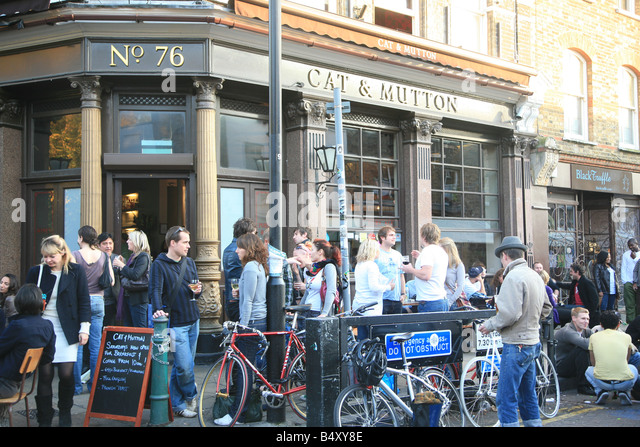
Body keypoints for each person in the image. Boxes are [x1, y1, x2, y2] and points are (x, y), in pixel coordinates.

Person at [479, 236, 552, 427]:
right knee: (528, 397)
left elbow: (509, 314)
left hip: (516, 344)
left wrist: (490, 324)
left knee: (505, 399)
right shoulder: (534, 275)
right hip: (532, 342)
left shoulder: (512, 277)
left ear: (504, 255)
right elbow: (547, 308)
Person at [25, 235, 90, 427]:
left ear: (63, 253)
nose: (48, 260)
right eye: (45, 256)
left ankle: (65, 412)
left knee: (66, 374)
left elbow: (83, 301)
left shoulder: (76, 271)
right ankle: (44, 418)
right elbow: (26, 299)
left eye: (52, 256)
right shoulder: (37, 272)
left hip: (67, 329)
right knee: (45, 375)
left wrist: (84, 328)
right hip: (43, 329)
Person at [214, 233, 268, 425]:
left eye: (240, 247)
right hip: (255, 321)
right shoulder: (256, 266)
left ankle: (237, 415)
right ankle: (239, 412)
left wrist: (242, 327)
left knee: (244, 371)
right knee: (246, 369)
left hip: (252, 322)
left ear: (249, 249)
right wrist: (240, 292)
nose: (236, 250)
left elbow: (250, 301)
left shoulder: (251, 268)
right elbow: (250, 296)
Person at [150, 226, 202, 418]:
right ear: (173, 243)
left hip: (193, 319)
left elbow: (195, 288)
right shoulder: (159, 264)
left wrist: (199, 291)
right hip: (175, 323)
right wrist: (158, 310)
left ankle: (177, 404)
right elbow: (155, 290)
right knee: (184, 367)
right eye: (185, 242)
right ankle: (191, 394)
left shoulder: (189, 263)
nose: (189, 246)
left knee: (181, 367)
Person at [0, 284, 56, 425]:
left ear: (19, 303)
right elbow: (48, 357)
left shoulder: (18, 326)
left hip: (4, 385)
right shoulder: (47, 325)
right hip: (19, 383)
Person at [71, 225, 114, 395]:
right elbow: (110, 281)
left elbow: (71, 280)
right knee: (95, 345)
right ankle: (93, 385)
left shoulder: (75, 255)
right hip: (98, 300)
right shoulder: (103, 256)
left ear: (81, 237)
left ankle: (75, 387)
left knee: (78, 345)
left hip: (80, 302)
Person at [586, 310, 639, 405]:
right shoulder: (626, 337)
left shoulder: (593, 337)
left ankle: (600, 391)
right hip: (624, 381)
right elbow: (626, 359)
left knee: (588, 370)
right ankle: (625, 392)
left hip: (602, 381)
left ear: (601, 325)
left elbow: (593, 361)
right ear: (619, 324)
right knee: (633, 368)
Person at [400, 223, 448, 313]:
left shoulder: (427, 251)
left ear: (424, 236)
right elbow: (434, 269)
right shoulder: (441, 251)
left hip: (430, 301)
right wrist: (420, 257)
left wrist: (410, 270)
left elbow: (426, 275)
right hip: (440, 299)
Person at [353, 239, 395, 340]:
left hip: (360, 306)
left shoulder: (359, 265)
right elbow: (374, 287)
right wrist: (389, 287)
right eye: (377, 249)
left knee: (362, 339)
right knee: (373, 339)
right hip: (371, 308)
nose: (379, 251)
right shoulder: (372, 265)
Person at [113, 230, 151, 328]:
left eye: (129, 239)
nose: (127, 242)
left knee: (139, 330)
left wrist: (122, 265)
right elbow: (128, 273)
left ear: (136, 242)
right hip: (129, 297)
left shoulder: (143, 256)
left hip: (138, 300)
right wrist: (122, 266)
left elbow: (135, 275)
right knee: (129, 329)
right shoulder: (133, 256)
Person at [554, 307, 595, 395]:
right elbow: (586, 344)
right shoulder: (568, 331)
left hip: (574, 364)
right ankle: (582, 386)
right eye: (583, 318)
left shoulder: (586, 331)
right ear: (574, 318)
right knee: (582, 350)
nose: (586, 322)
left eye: (588, 319)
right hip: (561, 367)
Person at [223, 218, 257, 322]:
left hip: (232, 299)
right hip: (239, 301)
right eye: (253, 234)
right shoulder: (240, 251)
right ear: (247, 234)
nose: (255, 237)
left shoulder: (227, 249)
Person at [299, 239, 341, 320]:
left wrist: (324, 313)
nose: (310, 253)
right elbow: (307, 292)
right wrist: (299, 311)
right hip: (307, 312)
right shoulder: (315, 268)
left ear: (320, 252)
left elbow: (331, 290)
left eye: (312, 250)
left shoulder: (328, 267)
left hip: (317, 312)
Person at [557, 263, 600, 327]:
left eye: (571, 271)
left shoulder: (587, 283)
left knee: (561, 310)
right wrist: (556, 283)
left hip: (584, 307)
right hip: (576, 306)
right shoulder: (575, 282)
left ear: (577, 272)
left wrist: (590, 312)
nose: (570, 273)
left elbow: (595, 299)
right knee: (559, 309)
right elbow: (568, 286)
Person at [375, 226, 405, 314]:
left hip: (397, 298)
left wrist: (403, 293)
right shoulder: (376, 254)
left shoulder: (397, 254)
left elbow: (401, 275)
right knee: (383, 327)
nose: (394, 237)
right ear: (382, 238)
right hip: (382, 298)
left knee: (397, 327)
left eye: (395, 235)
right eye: (391, 235)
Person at [261, 228, 294, 306]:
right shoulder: (259, 257)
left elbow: (288, 281)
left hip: (278, 302)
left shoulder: (281, 257)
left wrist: (286, 305)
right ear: (266, 242)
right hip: (262, 303)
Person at [97, 233, 120, 327]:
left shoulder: (118, 259)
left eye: (110, 243)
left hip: (112, 301)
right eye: (105, 243)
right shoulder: (95, 258)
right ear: (98, 245)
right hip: (98, 299)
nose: (108, 246)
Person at [438, 237, 465, 311]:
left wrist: (450, 302)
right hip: (438, 300)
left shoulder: (458, 264)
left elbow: (461, 287)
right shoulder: (439, 263)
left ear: (447, 249)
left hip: (450, 301)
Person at [621, 238, 639, 324]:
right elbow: (623, 268)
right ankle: (631, 322)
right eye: (629, 246)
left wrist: (634, 258)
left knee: (638, 304)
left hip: (638, 282)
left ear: (637, 243)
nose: (631, 247)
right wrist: (625, 281)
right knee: (630, 303)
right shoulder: (626, 255)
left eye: (632, 245)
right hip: (628, 281)